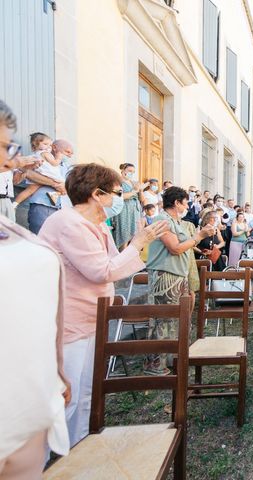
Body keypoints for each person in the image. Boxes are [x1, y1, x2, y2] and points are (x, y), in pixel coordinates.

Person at [37, 163, 167, 448]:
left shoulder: (96, 224)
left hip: (92, 316)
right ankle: (51, 459)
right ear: (97, 194)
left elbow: (114, 263)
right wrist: (137, 242)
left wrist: (137, 244)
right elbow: (101, 271)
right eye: (117, 193)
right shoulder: (68, 223)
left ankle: (81, 447)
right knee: (65, 396)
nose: (121, 199)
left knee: (87, 392)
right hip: (69, 319)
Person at [0, 100, 70, 478]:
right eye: (4, 149)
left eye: (9, 147)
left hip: (30, 415)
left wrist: (55, 373)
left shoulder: (11, 227)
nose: (12, 161)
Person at [145, 186, 215, 375]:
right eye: (184, 202)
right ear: (176, 202)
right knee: (163, 320)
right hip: (165, 275)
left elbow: (185, 246)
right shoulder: (162, 219)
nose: (186, 206)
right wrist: (199, 236)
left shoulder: (177, 222)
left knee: (177, 320)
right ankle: (155, 365)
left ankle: (173, 359)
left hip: (178, 275)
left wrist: (198, 236)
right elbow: (175, 248)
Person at [16, 139, 73, 234]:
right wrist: (54, 183)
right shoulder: (38, 160)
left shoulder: (67, 167)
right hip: (43, 205)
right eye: (67, 152)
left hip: (62, 208)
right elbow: (29, 173)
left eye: (71, 153)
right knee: (40, 237)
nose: (69, 156)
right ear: (54, 148)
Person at [12, 132, 63, 207]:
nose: (48, 147)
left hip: (38, 174)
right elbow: (54, 163)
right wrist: (59, 158)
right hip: (48, 174)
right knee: (63, 184)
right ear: (35, 145)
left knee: (29, 190)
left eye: (50, 145)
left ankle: (15, 203)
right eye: (45, 144)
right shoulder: (45, 153)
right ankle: (54, 194)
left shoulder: (35, 154)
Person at [111, 163, 146, 249]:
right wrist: (134, 191)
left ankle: (132, 258)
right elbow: (119, 196)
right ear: (123, 170)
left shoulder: (134, 183)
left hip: (135, 211)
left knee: (135, 237)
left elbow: (142, 199)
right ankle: (122, 258)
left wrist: (140, 190)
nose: (131, 173)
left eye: (133, 172)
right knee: (124, 237)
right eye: (129, 171)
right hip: (124, 211)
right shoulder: (117, 182)